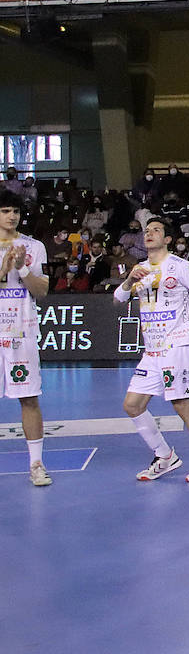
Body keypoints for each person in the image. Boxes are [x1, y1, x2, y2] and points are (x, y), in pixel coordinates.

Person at [115, 217, 189, 484]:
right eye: (146, 231)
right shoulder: (139, 269)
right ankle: (165, 456)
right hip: (152, 350)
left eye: (156, 230)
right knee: (132, 405)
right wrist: (128, 281)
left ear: (168, 239)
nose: (149, 233)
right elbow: (118, 299)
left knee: (182, 404)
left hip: (178, 346)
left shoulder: (181, 267)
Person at [0, 194, 53, 486]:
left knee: (29, 398)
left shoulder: (34, 247)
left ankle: (36, 465)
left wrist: (21, 267)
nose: (11, 216)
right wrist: (3, 269)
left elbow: (42, 290)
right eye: (5, 210)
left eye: (15, 211)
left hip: (23, 333)